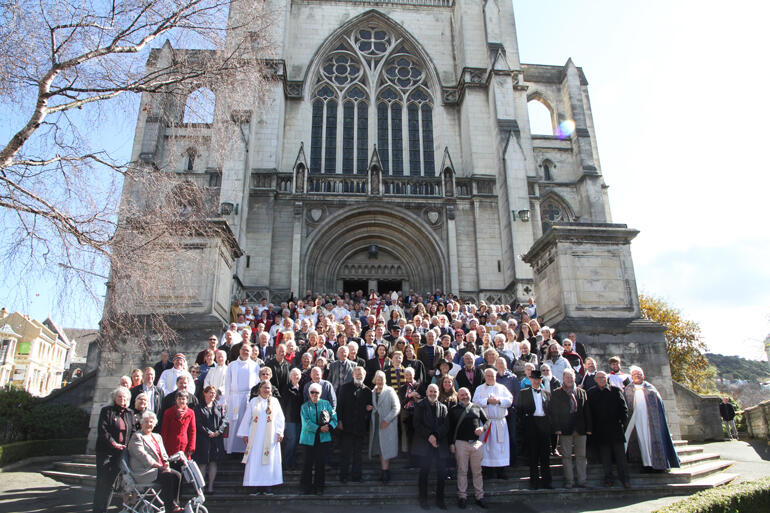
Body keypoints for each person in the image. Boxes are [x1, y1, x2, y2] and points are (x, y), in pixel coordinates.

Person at [623, 366, 680, 470]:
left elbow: (659, 405)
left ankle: (658, 464)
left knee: (651, 440)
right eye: (635, 375)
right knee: (641, 441)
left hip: (651, 421)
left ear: (643, 376)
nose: (637, 376)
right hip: (636, 421)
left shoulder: (651, 389)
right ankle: (646, 464)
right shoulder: (628, 390)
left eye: (639, 374)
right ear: (631, 377)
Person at [128, 412, 183, 513]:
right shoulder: (137, 436)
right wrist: (157, 465)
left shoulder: (157, 436)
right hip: (144, 471)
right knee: (167, 476)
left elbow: (163, 453)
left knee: (177, 475)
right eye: (146, 422)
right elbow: (142, 455)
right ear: (141, 423)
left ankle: (174, 504)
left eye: (151, 422)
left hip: (158, 469)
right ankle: (170, 508)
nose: (149, 424)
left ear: (154, 424)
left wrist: (166, 462)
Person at [238, 380, 285, 494]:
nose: (266, 390)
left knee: (269, 460)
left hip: (271, 436)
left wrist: (280, 432)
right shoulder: (254, 401)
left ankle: (267, 486)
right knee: (255, 460)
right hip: (256, 437)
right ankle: (254, 486)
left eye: (268, 388)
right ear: (259, 389)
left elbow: (280, 418)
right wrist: (244, 433)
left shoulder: (274, 402)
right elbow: (247, 418)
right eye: (264, 387)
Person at [93, 387, 135, 513]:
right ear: (114, 398)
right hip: (106, 451)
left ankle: (104, 509)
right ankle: (98, 509)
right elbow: (103, 430)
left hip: (120, 453)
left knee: (111, 483)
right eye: (120, 397)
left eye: (125, 398)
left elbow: (132, 431)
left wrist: (128, 445)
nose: (122, 400)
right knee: (102, 481)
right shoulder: (107, 410)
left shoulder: (129, 413)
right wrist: (113, 443)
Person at [587, 371, 630, 488]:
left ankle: (625, 479)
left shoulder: (615, 390)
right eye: (599, 377)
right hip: (600, 431)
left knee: (621, 457)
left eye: (603, 377)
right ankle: (608, 478)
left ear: (607, 379)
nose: (601, 379)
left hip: (616, 429)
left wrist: (622, 422)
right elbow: (589, 412)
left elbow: (624, 408)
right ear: (595, 380)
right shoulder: (591, 393)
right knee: (605, 458)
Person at [550, 368, 592, 489]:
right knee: (567, 456)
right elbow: (554, 412)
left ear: (574, 378)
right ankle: (569, 480)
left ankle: (582, 480)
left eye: (571, 377)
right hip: (565, 428)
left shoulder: (581, 392)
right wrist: (557, 428)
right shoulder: (557, 392)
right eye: (567, 377)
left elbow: (586, 411)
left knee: (581, 456)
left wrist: (588, 427)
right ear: (563, 378)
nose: (569, 379)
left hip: (580, 428)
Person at [448, 387, 488, 509]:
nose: (464, 397)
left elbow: (486, 421)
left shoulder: (476, 407)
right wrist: (451, 443)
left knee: (477, 472)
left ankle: (479, 496)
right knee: (462, 470)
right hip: (461, 443)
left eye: (466, 394)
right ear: (458, 396)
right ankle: (462, 496)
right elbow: (450, 428)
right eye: (461, 395)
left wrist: (483, 428)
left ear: (470, 395)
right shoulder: (454, 410)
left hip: (475, 443)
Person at [413, 384, 449, 510]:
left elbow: (446, 425)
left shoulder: (443, 407)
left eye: (435, 391)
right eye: (430, 391)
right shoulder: (420, 405)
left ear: (438, 393)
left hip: (439, 444)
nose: (433, 393)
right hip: (425, 444)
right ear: (427, 392)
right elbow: (416, 424)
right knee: (424, 473)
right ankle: (423, 499)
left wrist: (436, 436)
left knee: (441, 474)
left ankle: (440, 500)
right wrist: (429, 436)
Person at [473, 368, 513, 478]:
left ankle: (501, 471)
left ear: (496, 377)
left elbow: (509, 400)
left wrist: (499, 401)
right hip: (486, 423)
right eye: (488, 376)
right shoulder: (479, 388)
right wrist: (487, 401)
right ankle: (487, 472)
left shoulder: (502, 388)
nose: (490, 378)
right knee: (486, 448)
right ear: (485, 377)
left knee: (500, 447)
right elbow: (475, 402)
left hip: (499, 422)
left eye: (492, 376)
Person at [299, 382, 338, 495]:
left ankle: (319, 486)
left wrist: (329, 426)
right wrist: (318, 428)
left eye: (317, 392)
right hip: (309, 438)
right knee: (307, 463)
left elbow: (334, 417)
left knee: (320, 464)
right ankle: (306, 487)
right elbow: (305, 422)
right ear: (309, 393)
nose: (315, 395)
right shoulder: (304, 406)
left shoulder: (326, 404)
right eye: (312, 392)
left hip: (323, 438)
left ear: (320, 393)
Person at [337, 366, 372, 482]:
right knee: (345, 453)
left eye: (361, 373)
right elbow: (340, 406)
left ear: (365, 375)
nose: (359, 375)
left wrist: (369, 409)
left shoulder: (367, 391)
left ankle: (356, 476)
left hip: (360, 427)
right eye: (356, 373)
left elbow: (370, 406)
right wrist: (339, 421)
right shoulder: (344, 388)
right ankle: (344, 476)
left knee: (358, 454)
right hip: (346, 426)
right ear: (352, 375)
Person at [517, 369, 552, 489]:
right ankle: (534, 482)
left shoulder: (546, 393)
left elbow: (550, 411)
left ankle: (547, 482)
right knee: (533, 455)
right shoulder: (523, 393)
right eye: (534, 379)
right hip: (531, 424)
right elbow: (519, 411)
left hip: (544, 424)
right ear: (530, 380)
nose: (536, 381)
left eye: (539, 379)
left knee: (545, 455)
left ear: (541, 380)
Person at [224, 343, 259, 454]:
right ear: (239, 351)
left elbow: (257, 384)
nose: (245, 352)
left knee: (246, 423)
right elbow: (227, 383)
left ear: (251, 352)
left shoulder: (254, 365)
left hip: (248, 397)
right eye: (243, 350)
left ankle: (245, 450)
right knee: (234, 423)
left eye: (248, 350)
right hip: (234, 397)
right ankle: (230, 449)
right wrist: (227, 400)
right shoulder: (232, 365)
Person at [193, 385, 227, 494]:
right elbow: (198, 423)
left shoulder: (219, 406)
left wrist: (219, 431)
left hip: (216, 438)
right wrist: (208, 432)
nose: (212, 395)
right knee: (203, 463)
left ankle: (211, 486)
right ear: (205, 393)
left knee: (213, 462)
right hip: (203, 439)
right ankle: (201, 487)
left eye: (214, 393)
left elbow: (224, 421)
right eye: (210, 392)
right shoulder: (198, 407)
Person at [368, 370, 401, 482]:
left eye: (382, 379)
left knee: (385, 449)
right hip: (376, 422)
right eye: (378, 379)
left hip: (387, 424)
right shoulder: (373, 392)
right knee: (380, 447)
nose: (380, 381)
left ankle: (386, 472)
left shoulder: (390, 390)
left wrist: (387, 420)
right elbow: (375, 405)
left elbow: (396, 407)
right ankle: (384, 471)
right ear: (375, 380)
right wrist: (371, 408)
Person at [494, 357, 520, 467]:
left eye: (502, 363)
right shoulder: (493, 377)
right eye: (498, 363)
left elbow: (517, 394)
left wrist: (513, 406)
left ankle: (513, 460)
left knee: (512, 436)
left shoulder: (512, 378)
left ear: (506, 365)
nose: (500, 365)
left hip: (510, 411)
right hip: (497, 412)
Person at [161, 392, 196, 463]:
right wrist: (163, 447)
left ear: (187, 400)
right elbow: (164, 430)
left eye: (183, 399)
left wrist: (191, 447)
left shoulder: (191, 412)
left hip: (185, 445)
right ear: (176, 400)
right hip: (171, 444)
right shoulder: (168, 412)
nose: (181, 401)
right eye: (179, 399)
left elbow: (192, 431)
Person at [280, 368, 304, 470]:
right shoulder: (286, 389)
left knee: (296, 441)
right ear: (290, 377)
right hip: (289, 419)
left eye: (298, 375)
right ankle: (286, 462)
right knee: (291, 440)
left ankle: (292, 462)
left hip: (299, 419)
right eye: (294, 375)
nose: (296, 377)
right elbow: (283, 404)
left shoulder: (302, 388)